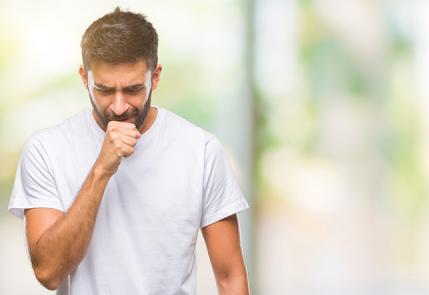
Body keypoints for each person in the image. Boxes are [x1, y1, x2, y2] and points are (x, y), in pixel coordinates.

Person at [8, 7, 250, 295]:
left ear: (155, 77)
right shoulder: (46, 150)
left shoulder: (202, 151)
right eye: (105, 90)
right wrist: (101, 171)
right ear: (85, 78)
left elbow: (230, 277)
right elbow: (48, 272)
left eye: (133, 89)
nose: (120, 106)